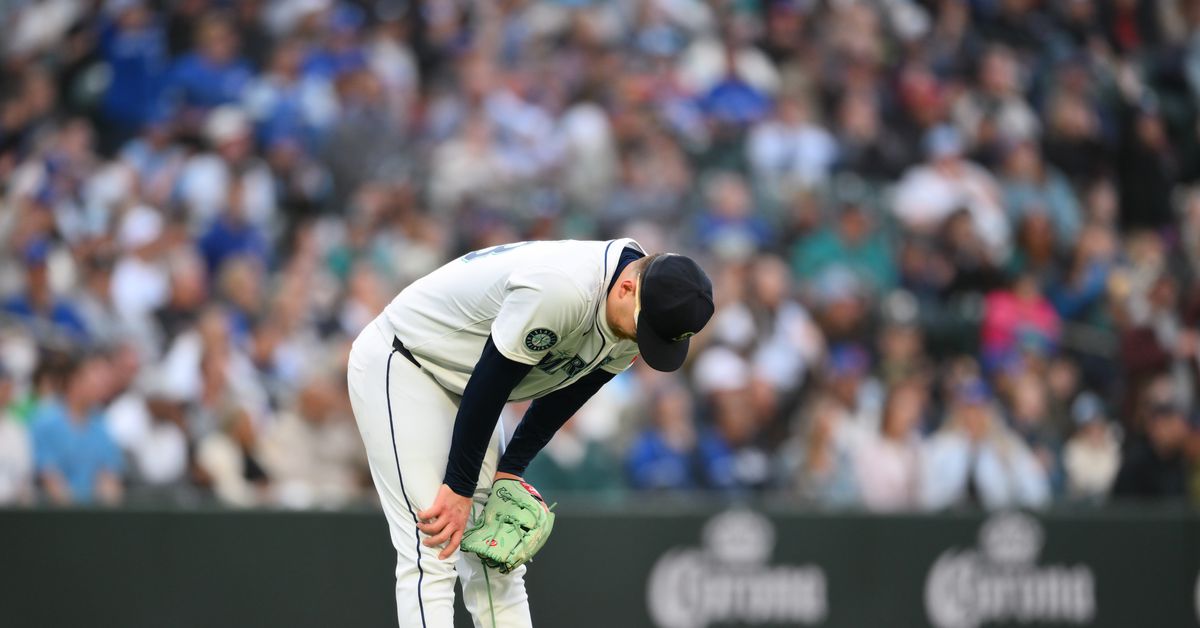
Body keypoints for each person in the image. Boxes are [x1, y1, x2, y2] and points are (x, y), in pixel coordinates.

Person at [345, 239, 713, 627]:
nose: (643, 340)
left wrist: (511, 470)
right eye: (646, 328)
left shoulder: (630, 317)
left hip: (468, 384)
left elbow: (563, 398)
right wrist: (459, 487)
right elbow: (492, 383)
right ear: (626, 287)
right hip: (406, 360)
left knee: (497, 558)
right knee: (434, 546)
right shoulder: (563, 288)